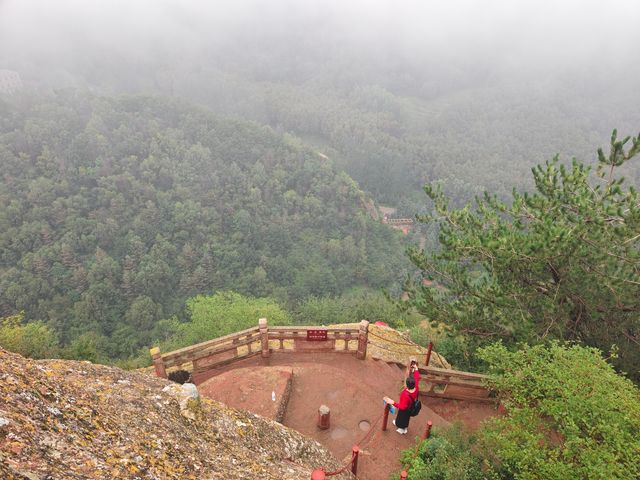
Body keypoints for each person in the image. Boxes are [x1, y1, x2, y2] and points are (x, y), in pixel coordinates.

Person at [383, 358, 420, 434]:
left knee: (402, 418)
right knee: (406, 418)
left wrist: (392, 402)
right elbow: (417, 378)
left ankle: (402, 429)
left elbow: (402, 407)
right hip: (411, 406)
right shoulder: (416, 387)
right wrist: (416, 369)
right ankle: (402, 426)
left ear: (407, 385)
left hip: (405, 409)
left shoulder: (405, 395)